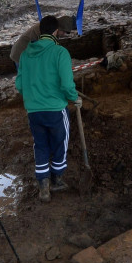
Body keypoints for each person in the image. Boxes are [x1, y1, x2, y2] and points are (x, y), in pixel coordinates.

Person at [15, 16, 81, 202]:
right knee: (60, 142)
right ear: (55, 32)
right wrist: (74, 99)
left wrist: (34, 96)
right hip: (55, 109)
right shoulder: (60, 52)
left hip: (34, 111)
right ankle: (57, 179)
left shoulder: (25, 54)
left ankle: (43, 187)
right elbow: (67, 84)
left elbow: (19, 84)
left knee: (41, 144)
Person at [10, 15, 76, 67]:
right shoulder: (45, 31)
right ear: (58, 28)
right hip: (21, 53)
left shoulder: (52, 30)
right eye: (64, 32)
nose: (64, 34)